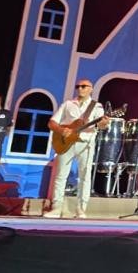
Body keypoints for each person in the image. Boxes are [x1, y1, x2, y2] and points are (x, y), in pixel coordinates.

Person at [44, 80, 108, 218]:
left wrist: (103, 123)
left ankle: (81, 209)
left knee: (85, 176)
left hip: (86, 143)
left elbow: (101, 126)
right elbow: (52, 122)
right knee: (61, 176)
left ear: (91, 89)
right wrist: (62, 130)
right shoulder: (68, 104)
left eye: (84, 86)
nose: (80, 88)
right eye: (78, 86)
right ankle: (56, 207)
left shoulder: (96, 107)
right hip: (66, 142)